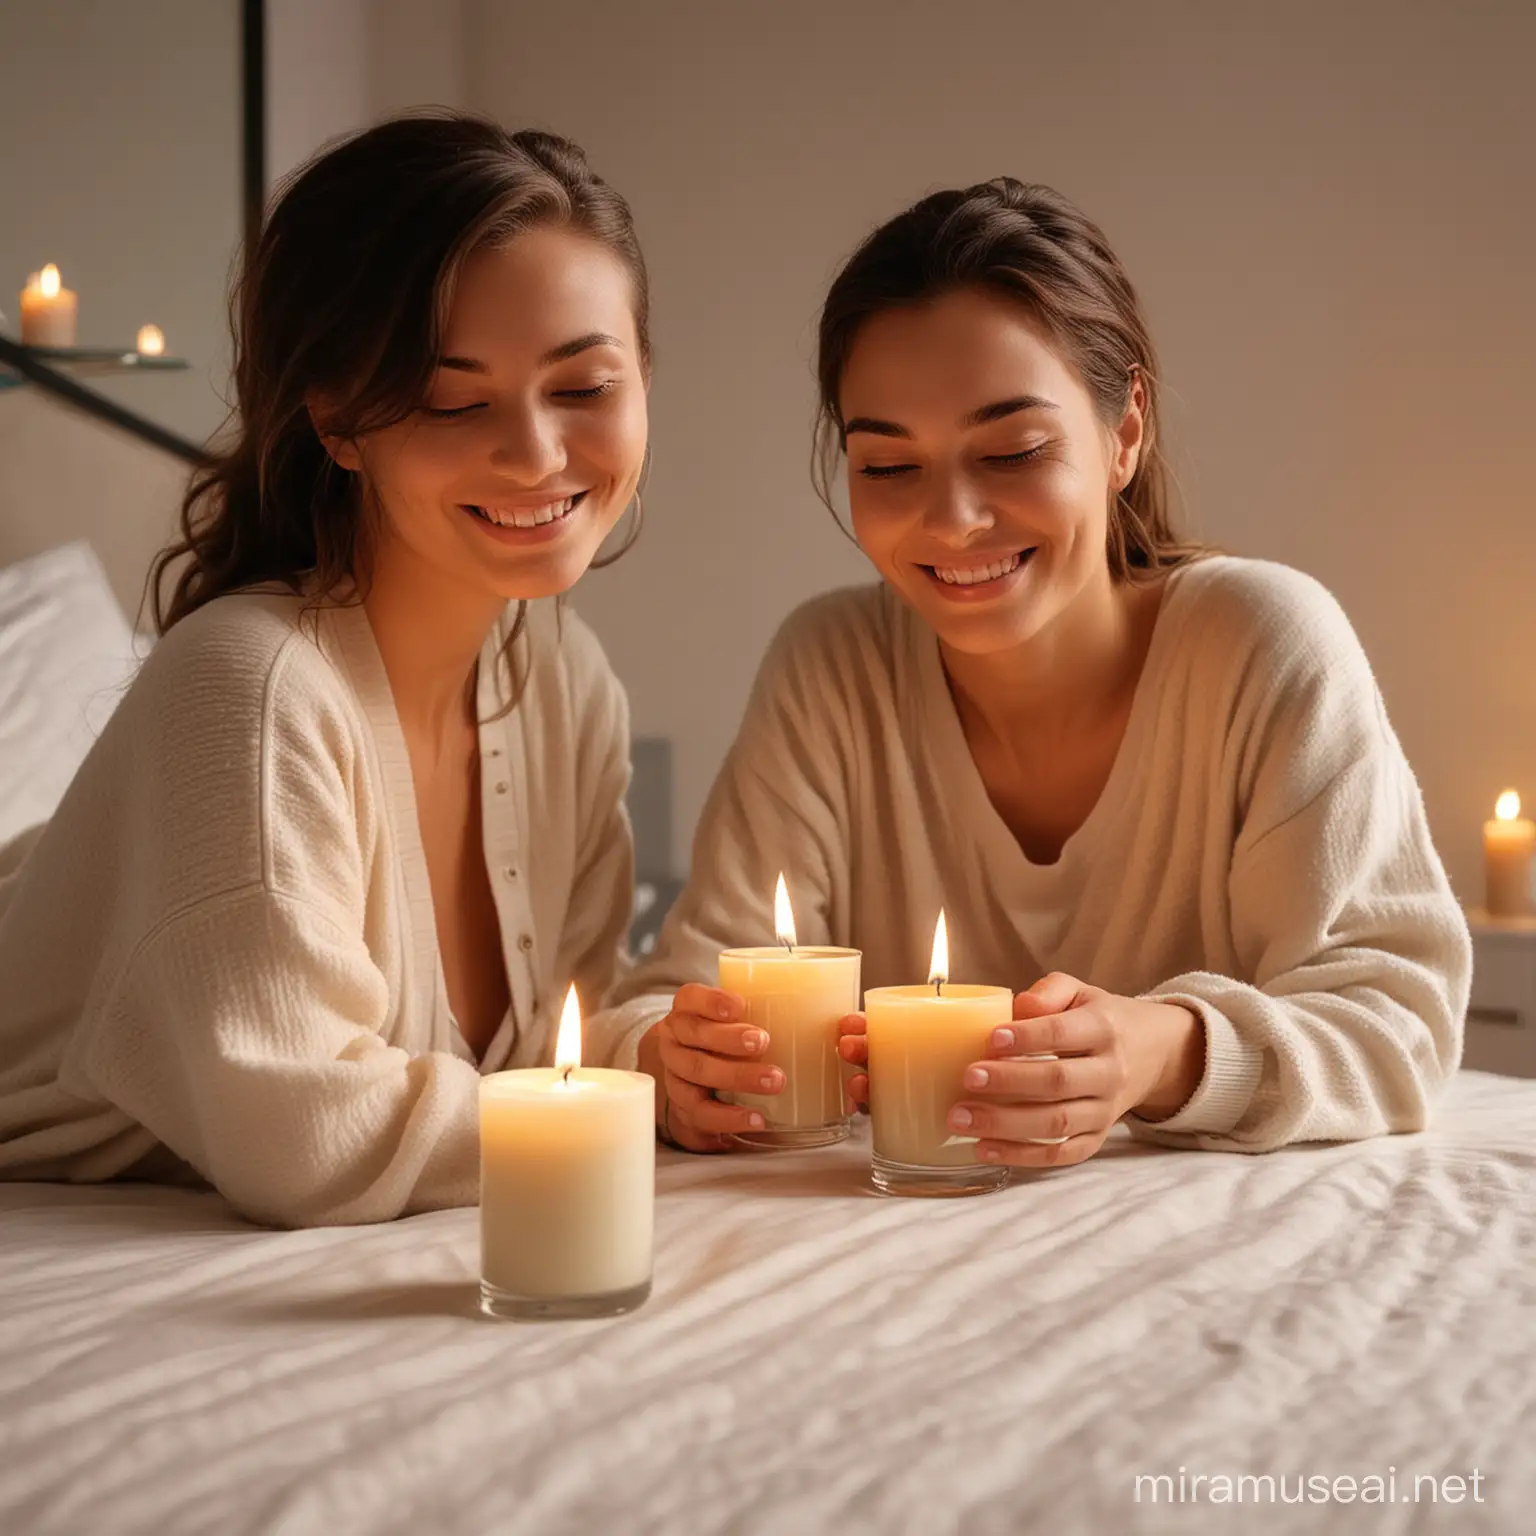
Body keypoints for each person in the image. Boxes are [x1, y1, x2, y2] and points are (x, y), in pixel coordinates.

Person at [588, 178, 1470, 1166]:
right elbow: (668, 999)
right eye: (887, 467)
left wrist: (1168, 1053)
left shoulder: (1261, 645)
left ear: (1125, 430)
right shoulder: (832, 666)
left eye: (1012, 451)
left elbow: (1402, 1022)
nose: (953, 519)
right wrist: (676, 1059)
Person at [0, 113, 649, 1226]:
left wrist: (676, 1054)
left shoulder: (559, 676)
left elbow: (572, 1027)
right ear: (340, 422)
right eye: (456, 399)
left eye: (584, 387)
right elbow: (305, 1133)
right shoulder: (249, 688)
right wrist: (638, 1112)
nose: (540, 453)